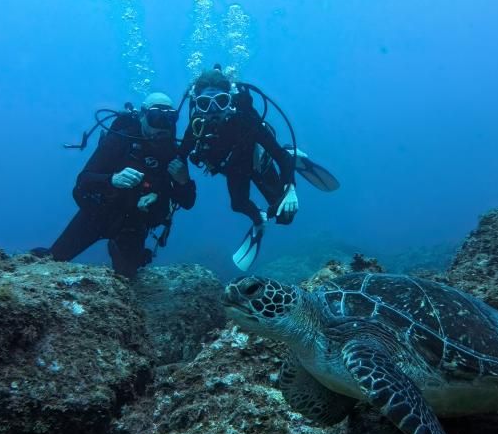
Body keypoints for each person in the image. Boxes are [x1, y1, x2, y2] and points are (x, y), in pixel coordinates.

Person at [32, 92, 196, 278]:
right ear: (142, 116)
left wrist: (183, 181)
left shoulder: (173, 152)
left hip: (135, 224)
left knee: (127, 279)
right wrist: (112, 179)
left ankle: (122, 255)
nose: (162, 126)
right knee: (53, 260)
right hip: (98, 214)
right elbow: (83, 181)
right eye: (156, 117)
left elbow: (188, 202)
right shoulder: (119, 140)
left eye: (169, 118)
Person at [178, 68, 300, 271]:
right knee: (238, 204)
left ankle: (297, 153)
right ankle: (259, 220)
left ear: (230, 101)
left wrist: (290, 188)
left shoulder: (246, 120)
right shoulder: (196, 127)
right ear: (197, 104)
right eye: (204, 104)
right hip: (234, 169)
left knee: (285, 216)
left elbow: (281, 156)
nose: (214, 110)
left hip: (259, 162)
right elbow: (179, 155)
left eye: (221, 101)